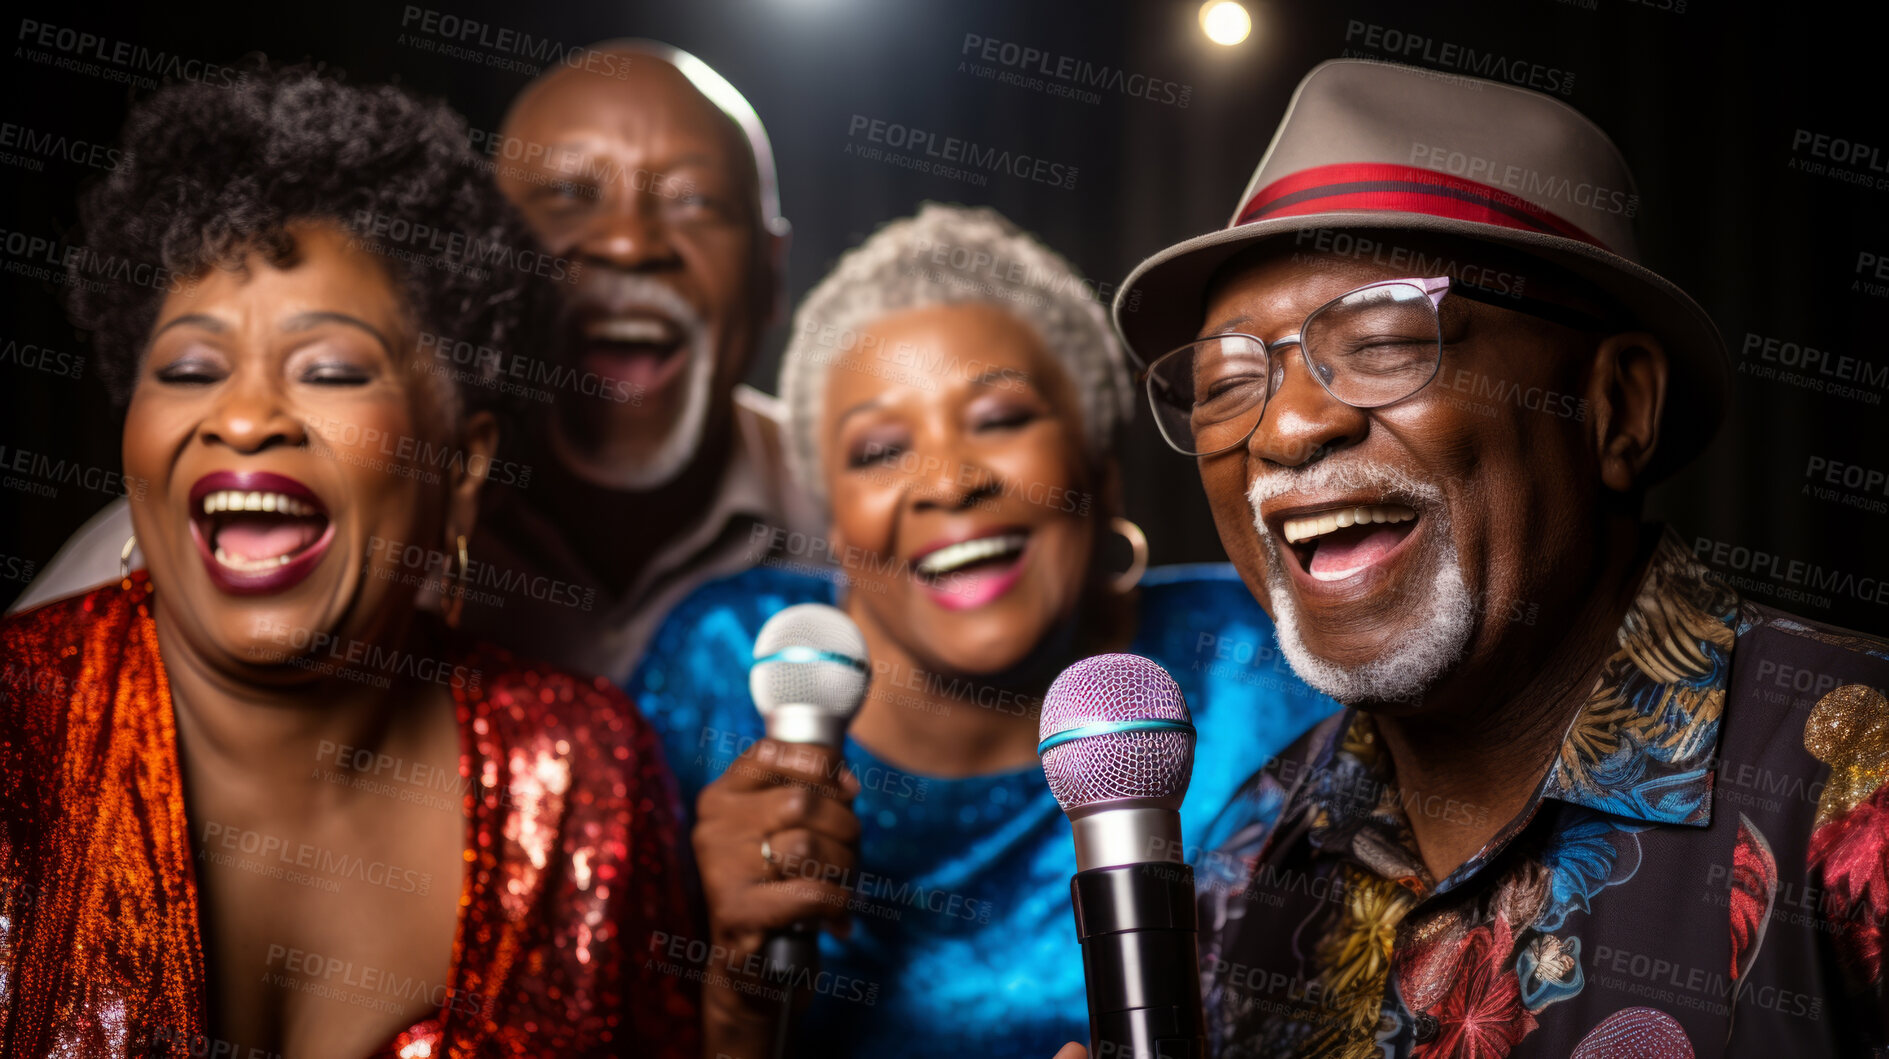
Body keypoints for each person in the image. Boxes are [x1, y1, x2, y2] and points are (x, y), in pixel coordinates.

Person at [1073, 58, 1889, 1058]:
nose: (1283, 429)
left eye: (1378, 340)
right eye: (1223, 383)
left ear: (1616, 407)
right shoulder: (1249, 854)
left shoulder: (1857, 775)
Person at [0, 67, 696, 1057]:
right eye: (189, 370)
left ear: (461, 464)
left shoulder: (590, 771)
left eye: (329, 370)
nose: (241, 417)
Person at [624, 203, 1338, 1058]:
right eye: (880, 450)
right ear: (835, 521)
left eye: (999, 420)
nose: (950, 482)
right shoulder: (725, 664)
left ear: (1098, 467)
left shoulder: (1266, 659)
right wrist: (741, 1001)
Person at [10, 41, 818, 687]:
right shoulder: (237, 516)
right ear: (486, 265)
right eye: (569, 195)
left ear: (772, 272)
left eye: (692, 201)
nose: (627, 243)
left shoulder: (867, 514)